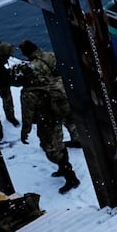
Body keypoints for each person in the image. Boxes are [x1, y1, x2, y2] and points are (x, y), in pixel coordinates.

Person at [12, 60, 81, 195]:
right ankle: (64, 168)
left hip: (46, 123)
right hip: (55, 118)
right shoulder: (44, 81)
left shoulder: (28, 93)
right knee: (59, 145)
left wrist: (25, 131)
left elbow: (27, 115)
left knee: (51, 150)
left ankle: (71, 177)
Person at [18, 40, 77, 146]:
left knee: (57, 118)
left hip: (53, 95)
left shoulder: (33, 66)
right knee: (69, 117)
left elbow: (41, 85)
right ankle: (77, 137)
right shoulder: (51, 55)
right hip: (64, 89)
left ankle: (56, 146)